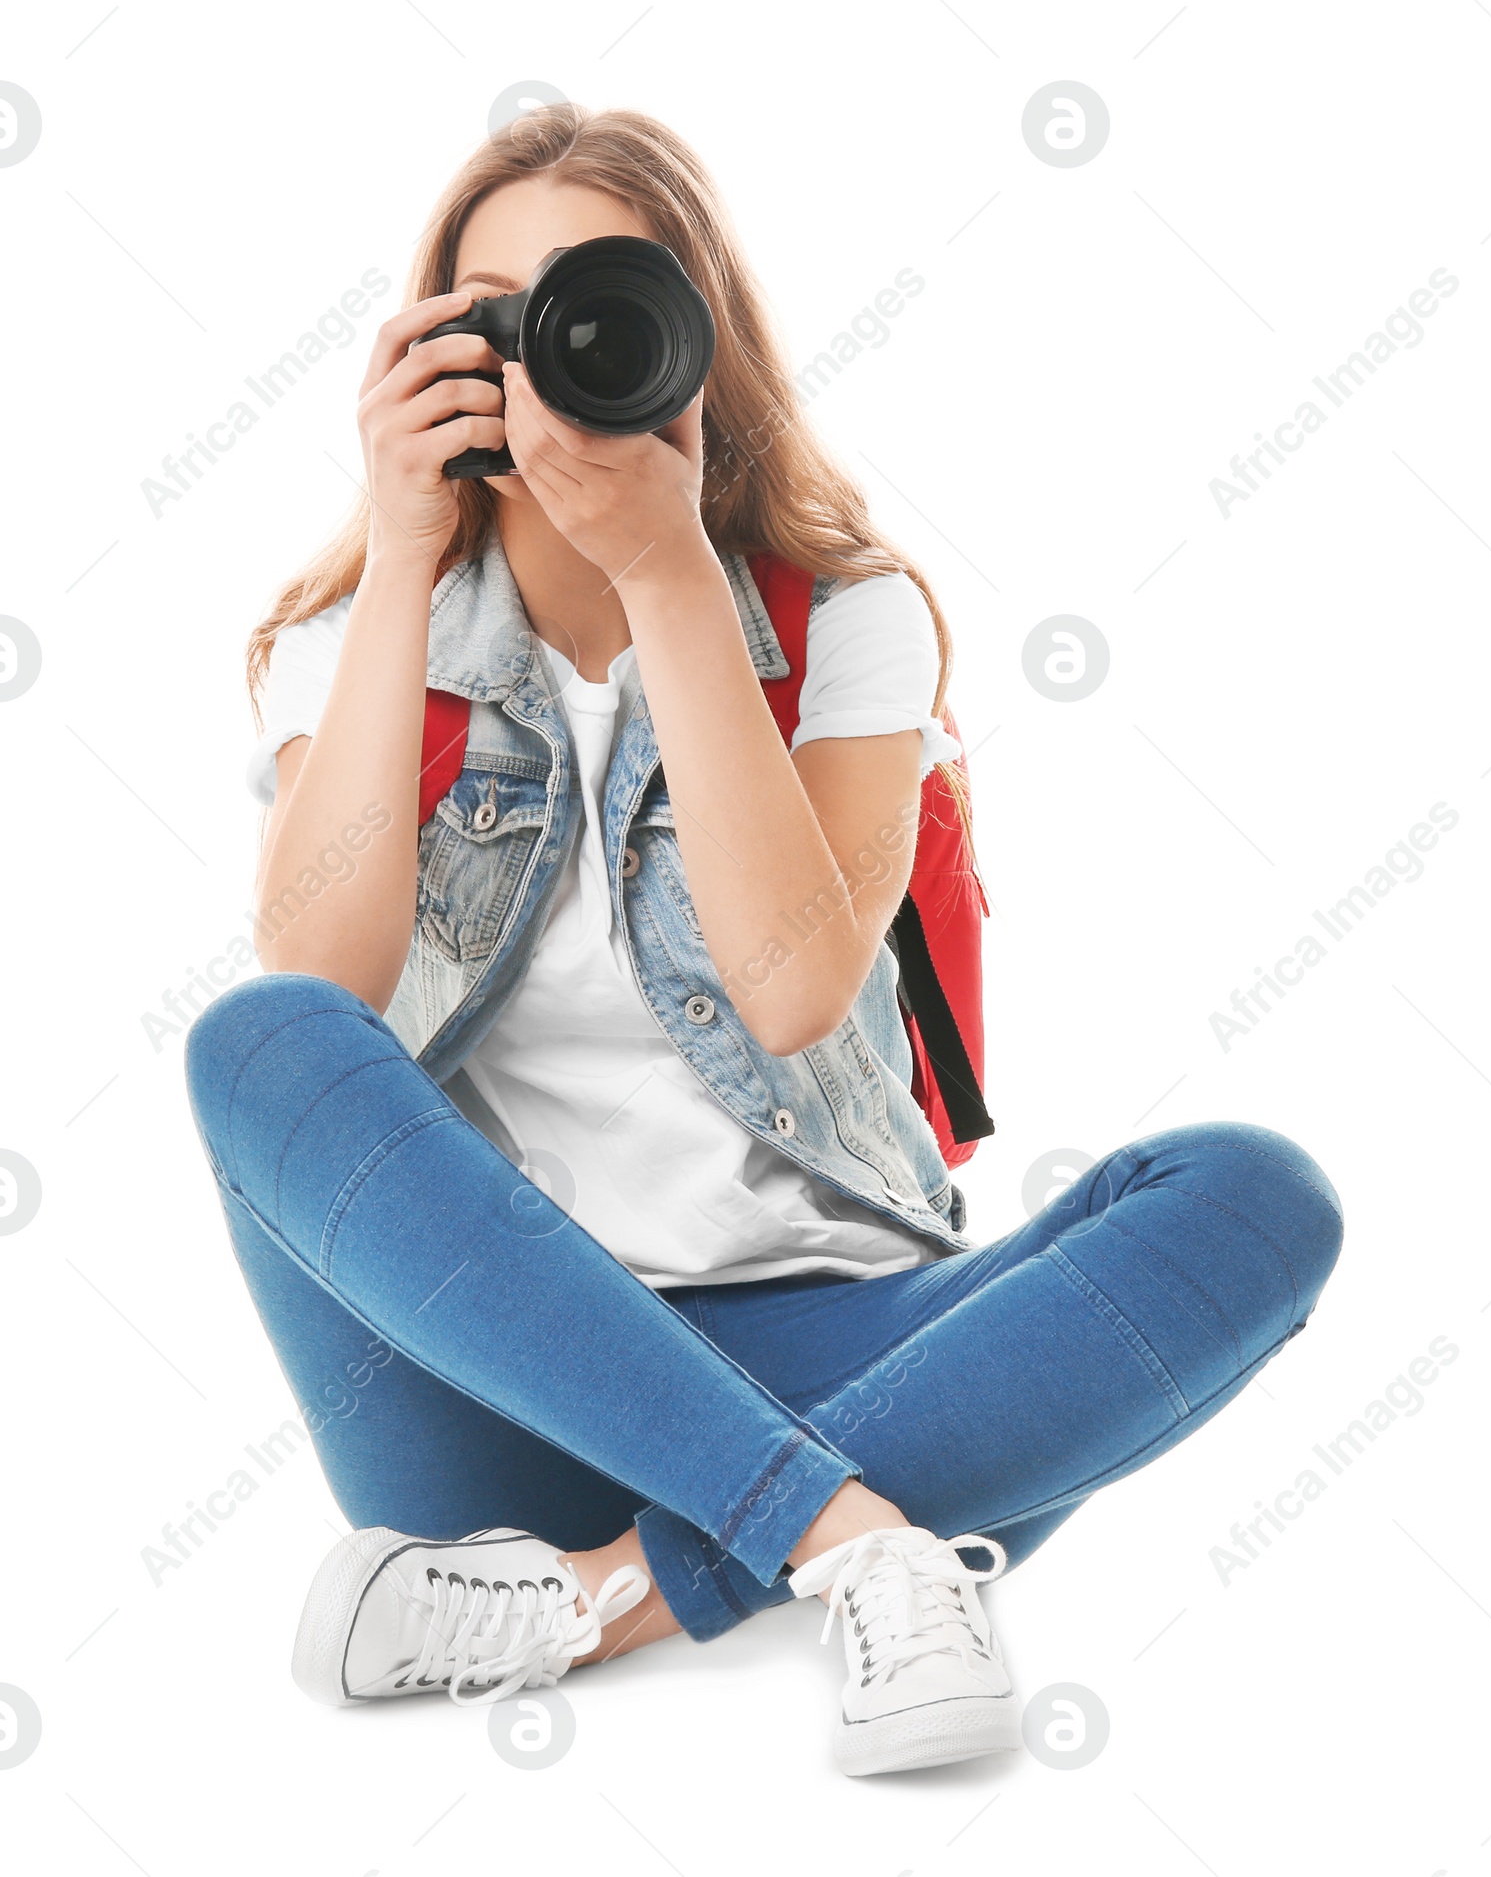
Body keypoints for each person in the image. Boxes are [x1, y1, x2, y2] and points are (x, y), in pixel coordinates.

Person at [184, 104, 1343, 1778]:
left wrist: (666, 574)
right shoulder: (353, 638)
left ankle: (618, 1592)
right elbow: (326, 1001)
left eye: (592, 307)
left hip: (847, 1352)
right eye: (493, 319)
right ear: (427, 349)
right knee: (248, 1039)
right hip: (499, 1372)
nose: (542, 360)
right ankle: (868, 1538)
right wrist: (403, 553)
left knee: (1254, 1188)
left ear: (689, 335)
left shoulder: (842, 616)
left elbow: (792, 990)